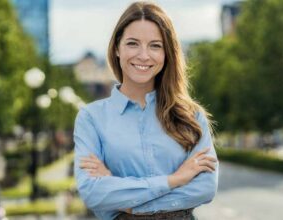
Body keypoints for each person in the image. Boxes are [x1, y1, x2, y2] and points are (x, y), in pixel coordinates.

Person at [73, 1, 218, 220]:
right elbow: (94, 193)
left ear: (167, 53)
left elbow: (205, 188)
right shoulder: (92, 118)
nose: (143, 55)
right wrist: (174, 180)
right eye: (132, 43)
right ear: (116, 49)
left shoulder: (191, 116)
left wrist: (130, 205)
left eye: (155, 45)